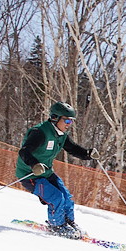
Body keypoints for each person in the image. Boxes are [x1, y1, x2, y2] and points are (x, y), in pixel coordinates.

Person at [16, 102, 99, 239]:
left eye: (71, 121)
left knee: (66, 196)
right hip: (30, 175)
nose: (69, 124)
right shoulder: (40, 132)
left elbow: (73, 149)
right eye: (66, 120)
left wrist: (88, 154)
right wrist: (34, 164)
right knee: (56, 197)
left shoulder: (61, 134)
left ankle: (68, 222)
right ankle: (56, 226)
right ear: (55, 118)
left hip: (46, 172)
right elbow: (24, 151)